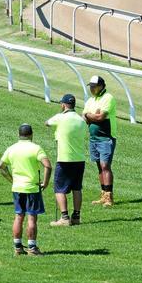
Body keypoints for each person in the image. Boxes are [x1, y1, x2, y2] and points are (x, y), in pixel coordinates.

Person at [0, 124, 52, 256]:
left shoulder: (11, 149)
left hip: (17, 188)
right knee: (32, 218)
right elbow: (48, 166)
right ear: (31, 134)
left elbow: (1, 166)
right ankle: (32, 248)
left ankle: (17, 247)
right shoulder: (36, 148)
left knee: (18, 217)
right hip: (32, 188)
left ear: (19, 134)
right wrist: (45, 182)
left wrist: (12, 180)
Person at [45, 94, 87, 226]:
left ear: (63, 105)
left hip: (65, 159)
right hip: (79, 159)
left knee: (59, 189)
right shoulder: (81, 120)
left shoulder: (60, 117)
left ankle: (64, 217)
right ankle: (76, 216)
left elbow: (47, 123)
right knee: (77, 188)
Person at [83, 76, 117, 207]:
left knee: (105, 166)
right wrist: (90, 116)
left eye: (94, 86)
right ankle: (103, 193)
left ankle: (109, 196)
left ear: (101, 86)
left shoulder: (108, 98)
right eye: (90, 86)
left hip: (106, 138)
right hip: (94, 139)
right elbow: (85, 117)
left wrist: (90, 115)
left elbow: (100, 117)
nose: (91, 89)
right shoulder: (91, 100)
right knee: (99, 167)